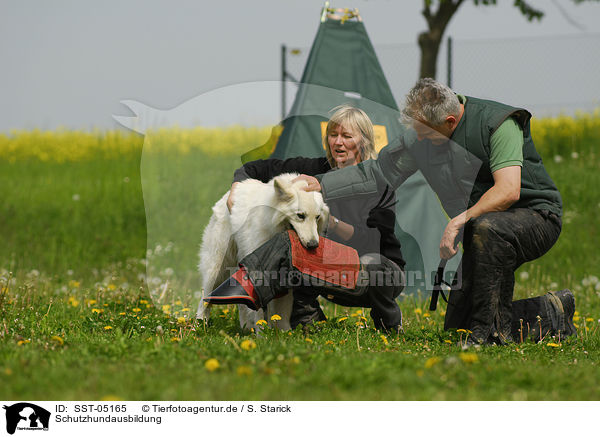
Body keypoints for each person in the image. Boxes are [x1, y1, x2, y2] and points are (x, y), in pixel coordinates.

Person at [296, 78, 575, 345]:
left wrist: (459, 222)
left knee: (489, 231)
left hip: (536, 218)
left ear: (449, 122)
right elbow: (378, 173)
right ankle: (550, 312)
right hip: (482, 231)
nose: (417, 138)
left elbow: (509, 190)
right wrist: (321, 182)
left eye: (424, 132)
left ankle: (484, 339)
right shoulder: (423, 135)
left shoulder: (498, 124)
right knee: (457, 327)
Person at [204, 105, 406, 332]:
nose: (338, 142)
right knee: (295, 245)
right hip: (328, 269)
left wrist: (331, 224)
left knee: (374, 264)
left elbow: (371, 241)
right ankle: (306, 324)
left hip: (379, 272)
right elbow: (255, 168)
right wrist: (236, 188)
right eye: (333, 135)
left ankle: (389, 322)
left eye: (347, 136)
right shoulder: (314, 169)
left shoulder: (379, 183)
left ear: (365, 141)